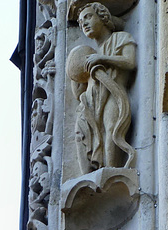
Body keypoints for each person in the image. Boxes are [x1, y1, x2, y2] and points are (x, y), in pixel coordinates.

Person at [67, 3, 136, 173]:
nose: (84, 24)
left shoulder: (121, 38)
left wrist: (102, 58)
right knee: (81, 134)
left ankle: (111, 172)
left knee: (111, 129)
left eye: (89, 17)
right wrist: (74, 73)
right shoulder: (89, 54)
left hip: (113, 94)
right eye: (81, 22)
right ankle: (87, 176)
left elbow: (130, 62)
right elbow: (78, 93)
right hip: (90, 101)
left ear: (103, 17)